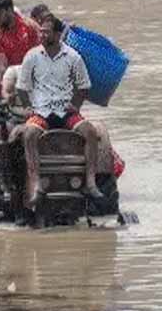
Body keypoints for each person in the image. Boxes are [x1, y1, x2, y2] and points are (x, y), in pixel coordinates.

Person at [15, 15, 103, 207]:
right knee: (29, 133)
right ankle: (37, 182)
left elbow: (84, 86)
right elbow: (21, 87)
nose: (42, 35)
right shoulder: (32, 56)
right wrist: (28, 107)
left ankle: (90, 181)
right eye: (41, 31)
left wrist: (76, 105)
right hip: (41, 112)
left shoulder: (73, 57)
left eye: (46, 31)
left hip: (66, 111)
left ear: (57, 34)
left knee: (90, 131)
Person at [0, 0, 41, 85]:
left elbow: (43, 51)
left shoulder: (30, 27)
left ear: (9, 10)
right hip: (13, 80)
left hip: (36, 75)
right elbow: (2, 68)